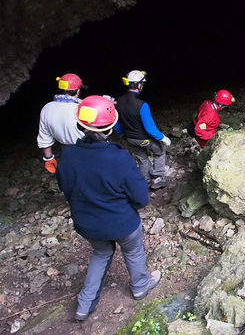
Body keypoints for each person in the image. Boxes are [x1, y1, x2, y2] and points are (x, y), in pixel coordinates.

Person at [56, 95, 161, 321]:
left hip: (88, 224)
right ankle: (140, 285)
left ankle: (84, 305)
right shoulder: (119, 158)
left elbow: (66, 188)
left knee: (101, 253)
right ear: (111, 126)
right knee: (132, 250)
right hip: (122, 222)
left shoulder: (68, 155)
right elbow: (141, 197)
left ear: (80, 125)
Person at [114, 70, 171, 190]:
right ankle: (157, 179)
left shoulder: (117, 102)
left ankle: (145, 180)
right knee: (159, 151)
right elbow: (150, 129)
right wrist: (163, 138)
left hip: (130, 139)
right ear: (139, 85)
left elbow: (116, 124)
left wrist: (123, 134)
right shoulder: (142, 105)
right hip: (144, 139)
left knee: (142, 158)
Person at [37, 73, 86, 174]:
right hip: (86, 148)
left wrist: (49, 158)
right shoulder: (82, 108)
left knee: (72, 174)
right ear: (78, 90)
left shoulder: (47, 108)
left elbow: (44, 136)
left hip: (66, 151)